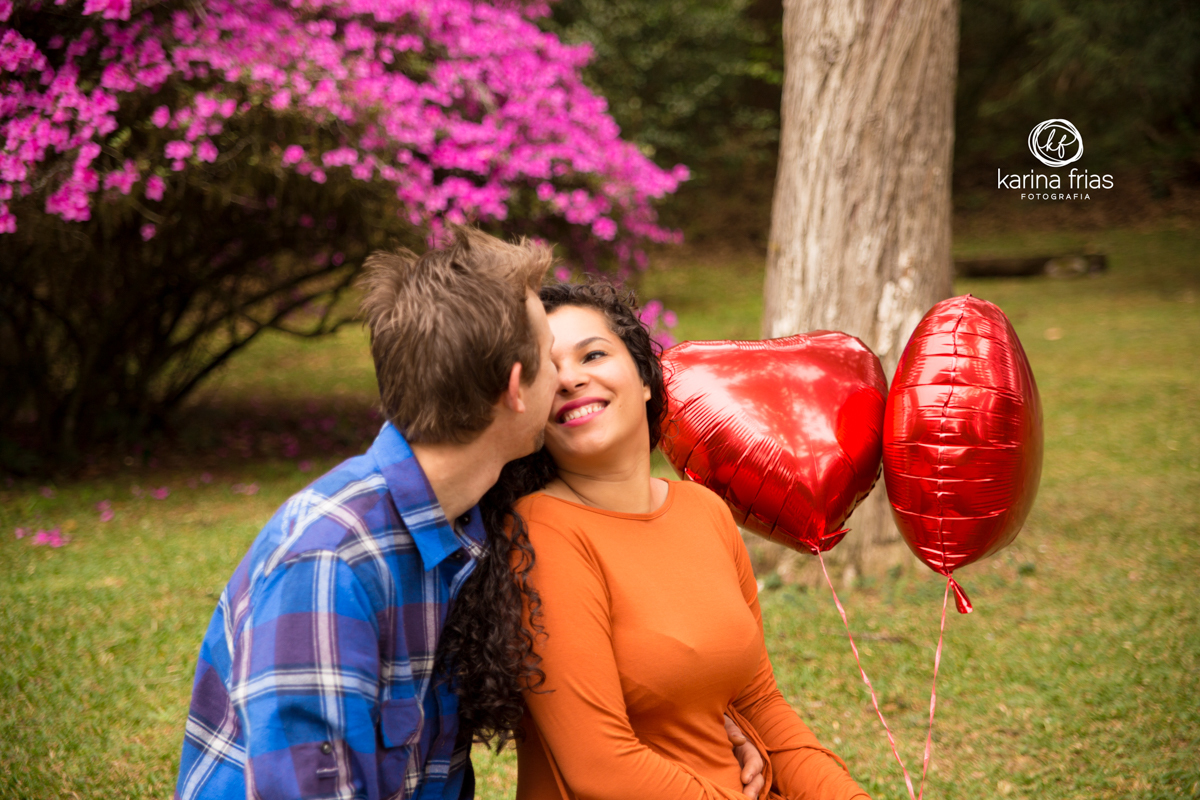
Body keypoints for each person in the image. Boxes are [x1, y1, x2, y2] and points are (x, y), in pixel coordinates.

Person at [175, 229, 763, 800]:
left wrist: (699, 717)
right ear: (516, 388)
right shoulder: (331, 561)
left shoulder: (471, 523)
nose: (567, 378)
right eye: (548, 358)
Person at [482, 282, 871, 800]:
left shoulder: (703, 510)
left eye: (592, 354)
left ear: (645, 377)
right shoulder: (540, 534)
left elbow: (760, 704)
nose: (571, 379)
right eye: (546, 370)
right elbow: (600, 768)